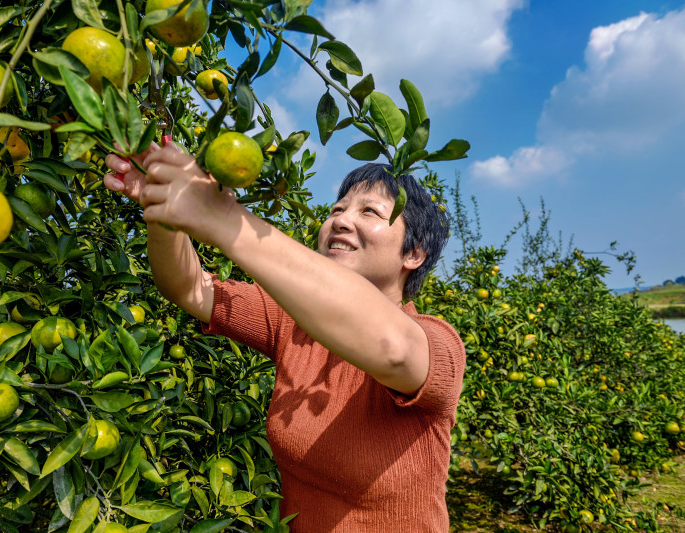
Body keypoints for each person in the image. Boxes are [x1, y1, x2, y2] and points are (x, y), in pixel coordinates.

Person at [104, 141, 466, 532]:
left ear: (414, 253)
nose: (341, 221)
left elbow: (393, 348)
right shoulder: (293, 323)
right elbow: (190, 287)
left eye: (369, 211)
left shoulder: (438, 347)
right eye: (337, 209)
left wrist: (225, 217)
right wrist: (163, 210)